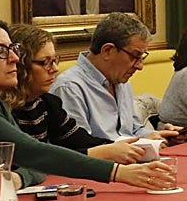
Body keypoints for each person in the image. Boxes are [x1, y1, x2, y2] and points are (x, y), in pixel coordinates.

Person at [0, 18, 172, 196]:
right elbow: (35, 153)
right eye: (1, 51)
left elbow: (30, 162)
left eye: (13, 48)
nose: (15, 58)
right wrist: (119, 174)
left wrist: (16, 178)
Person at [6, 24, 144, 163]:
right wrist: (108, 151)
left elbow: (79, 141)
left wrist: (124, 148)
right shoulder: (3, 110)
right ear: (19, 66)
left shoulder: (47, 103)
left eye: (54, 60)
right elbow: (35, 158)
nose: (54, 69)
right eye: (44, 62)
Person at [53, 12, 179, 142]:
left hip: (133, 158)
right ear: (107, 51)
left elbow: (133, 130)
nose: (140, 66)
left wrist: (156, 136)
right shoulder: (69, 88)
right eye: (135, 56)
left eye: (142, 57)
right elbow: (79, 149)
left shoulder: (122, 81)